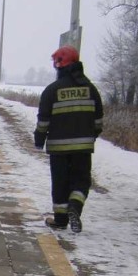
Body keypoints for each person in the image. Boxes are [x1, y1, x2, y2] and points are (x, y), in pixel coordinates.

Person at [34, 44, 103, 233]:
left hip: (58, 148)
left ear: (59, 64)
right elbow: (98, 120)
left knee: (60, 183)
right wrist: (91, 136)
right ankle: (75, 205)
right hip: (83, 147)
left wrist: (39, 140)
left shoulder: (52, 90)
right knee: (81, 180)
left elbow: (43, 121)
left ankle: (60, 219)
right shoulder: (91, 89)